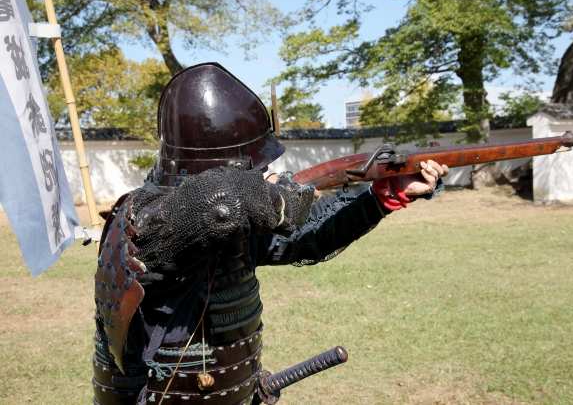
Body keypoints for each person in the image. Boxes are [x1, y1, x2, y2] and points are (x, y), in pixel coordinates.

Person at [92, 63, 448, 405]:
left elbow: (307, 237)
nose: (264, 173)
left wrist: (384, 195)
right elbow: (220, 201)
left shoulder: (220, 224)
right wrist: (278, 199)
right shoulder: (146, 219)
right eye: (254, 167)